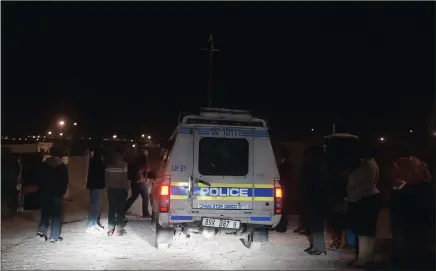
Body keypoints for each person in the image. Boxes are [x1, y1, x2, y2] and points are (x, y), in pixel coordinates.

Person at [389, 145, 432, 269]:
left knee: (404, 239)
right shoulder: (421, 169)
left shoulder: (399, 166)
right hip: (416, 213)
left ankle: (404, 262)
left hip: (406, 212)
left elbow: (395, 185)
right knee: (415, 239)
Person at [346, 146, 381, 267]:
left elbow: (356, 182)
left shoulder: (366, 166)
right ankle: (367, 257)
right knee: (369, 231)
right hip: (369, 198)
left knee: (363, 231)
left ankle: (362, 259)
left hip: (364, 199)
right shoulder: (372, 164)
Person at [299, 147, 329, 255]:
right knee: (313, 224)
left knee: (316, 225)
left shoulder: (315, 168)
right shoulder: (316, 167)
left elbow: (312, 185)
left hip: (316, 200)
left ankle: (319, 248)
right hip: (313, 199)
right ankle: (315, 246)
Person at [36, 145, 68, 243]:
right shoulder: (61, 166)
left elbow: (40, 178)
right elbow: (64, 181)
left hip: (45, 192)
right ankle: (54, 236)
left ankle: (41, 232)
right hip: (56, 193)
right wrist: (63, 192)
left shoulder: (45, 164)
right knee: (56, 215)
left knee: (45, 213)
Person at [105, 149, 129, 236]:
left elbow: (106, 179)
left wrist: (107, 190)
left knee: (111, 209)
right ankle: (118, 230)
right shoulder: (124, 165)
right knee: (120, 210)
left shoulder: (108, 165)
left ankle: (111, 229)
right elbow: (125, 179)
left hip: (111, 190)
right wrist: (126, 190)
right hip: (121, 190)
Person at [85, 147, 106, 234]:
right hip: (96, 186)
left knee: (96, 205)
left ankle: (94, 223)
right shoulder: (97, 161)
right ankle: (90, 225)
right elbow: (100, 173)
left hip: (95, 185)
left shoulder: (95, 159)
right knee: (95, 205)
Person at [125, 148, 150, 218]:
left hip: (135, 183)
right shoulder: (141, 163)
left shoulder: (135, 161)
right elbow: (139, 173)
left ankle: (122, 210)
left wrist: (143, 178)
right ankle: (145, 213)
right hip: (139, 183)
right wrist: (142, 179)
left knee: (134, 197)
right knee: (145, 197)